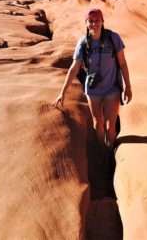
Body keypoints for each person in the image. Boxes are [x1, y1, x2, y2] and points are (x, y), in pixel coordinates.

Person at [54, 8, 132, 148]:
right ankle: (102, 151)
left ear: (102, 21)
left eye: (97, 20)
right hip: (93, 90)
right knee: (98, 124)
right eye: (90, 21)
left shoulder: (113, 38)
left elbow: (123, 64)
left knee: (110, 125)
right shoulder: (83, 43)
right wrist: (62, 92)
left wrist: (128, 87)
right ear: (86, 23)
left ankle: (110, 151)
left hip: (112, 89)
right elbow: (74, 68)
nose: (94, 24)